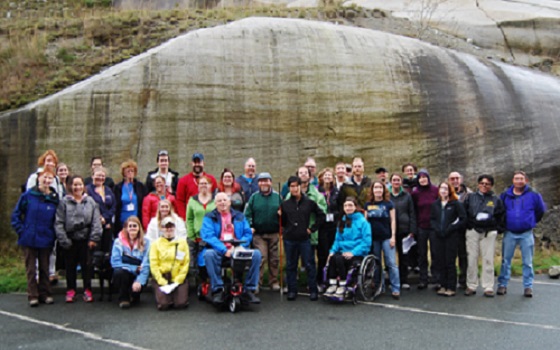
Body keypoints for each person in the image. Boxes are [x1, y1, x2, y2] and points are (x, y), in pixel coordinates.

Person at [201, 192, 262, 304]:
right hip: (219, 250)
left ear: (229, 202)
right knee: (208, 254)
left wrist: (238, 247)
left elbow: (247, 234)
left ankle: (249, 290)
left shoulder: (239, 216)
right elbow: (208, 236)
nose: (222, 203)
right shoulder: (209, 217)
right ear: (215, 203)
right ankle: (218, 289)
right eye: (219, 201)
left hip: (237, 249)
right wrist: (224, 250)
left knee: (256, 254)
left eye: (225, 200)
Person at [11, 169, 60, 306]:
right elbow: (16, 215)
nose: (46, 180)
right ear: (38, 178)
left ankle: (45, 293)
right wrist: (22, 230)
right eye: (44, 177)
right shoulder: (28, 196)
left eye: (49, 178)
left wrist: (54, 234)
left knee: (45, 268)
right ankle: (33, 295)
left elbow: (58, 219)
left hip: (46, 237)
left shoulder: (54, 199)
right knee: (31, 269)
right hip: (29, 238)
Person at [497, 171, 546, 298]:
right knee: (505, 260)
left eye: (521, 179)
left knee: (527, 262)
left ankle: (528, 286)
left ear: (526, 181)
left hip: (526, 233)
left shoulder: (533, 195)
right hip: (509, 232)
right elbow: (499, 210)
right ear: (513, 181)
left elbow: (540, 210)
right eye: (516, 179)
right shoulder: (505, 195)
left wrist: (531, 221)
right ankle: (502, 284)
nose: (519, 181)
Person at [55, 175, 102, 303]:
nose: (77, 187)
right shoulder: (64, 202)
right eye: (74, 185)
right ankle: (71, 290)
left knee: (87, 266)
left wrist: (94, 238)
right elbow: (59, 223)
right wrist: (64, 240)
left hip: (86, 239)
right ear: (70, 186)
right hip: (70, 239)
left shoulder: (91, 201)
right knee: (70, 267)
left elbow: (96, 222)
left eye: (80, 184)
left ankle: (87, 290)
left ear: (84, 186)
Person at [281, 176, 325, 301]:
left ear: (300, 186)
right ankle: (292, 290)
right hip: (289, 239)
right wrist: (279, 215)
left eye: (296, 186)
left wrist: (312, 229)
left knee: (310, 264)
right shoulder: (285, 204)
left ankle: (313, 290)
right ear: (289, 188)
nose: (294, 189)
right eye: (292, 186)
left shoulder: (309, 202)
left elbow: (321, 215)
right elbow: (283, 222)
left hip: (304, 238)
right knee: (291, 265)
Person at [463, 174, 505, 297]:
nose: (484, 186)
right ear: (478, 184)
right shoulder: (470, 197)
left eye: (487, 184)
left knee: (488, 260)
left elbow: (501, 216)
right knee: (472, 259)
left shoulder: (496, 199)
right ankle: (471, 285)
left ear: (491, 186)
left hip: (489, 233)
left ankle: (488, 286)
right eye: (482, 183)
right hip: (473, 231)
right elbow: (464, 213)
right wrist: (469, 225)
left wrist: (497, 228)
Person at [324, 197, 371, 298]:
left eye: (350, 205)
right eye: (346, 206)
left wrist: (353, 252)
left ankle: (342, 284)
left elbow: (366, 242)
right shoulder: (342, 222)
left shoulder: (363, 222)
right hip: (343, 251)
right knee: (333, 257)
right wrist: (332, 251)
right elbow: (337, 240)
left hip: (357, 253)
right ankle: (332, 284)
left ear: (355, 207)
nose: (348, 208)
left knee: (340, 258)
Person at [244, 172, 282, 291]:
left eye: (266, 180)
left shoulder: (278, 197)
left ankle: (273, 281)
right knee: (261, 258)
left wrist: (282, 216)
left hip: (274, 233)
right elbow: (247, 214)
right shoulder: (254, 197)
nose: (264, 183)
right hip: (258, 234)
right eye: (261, 181)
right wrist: (250, 225)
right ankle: (257, 282)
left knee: (274, 259)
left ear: (270, 182)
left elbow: (285, 214)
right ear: (258, 183)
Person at [430, 182, 466, 297]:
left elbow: (463, 219)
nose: (443, 191)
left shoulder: (455, 204)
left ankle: (451, 286)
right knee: (440, 261)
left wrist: (451, 228)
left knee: (450, 261)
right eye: (441, 188)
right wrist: (436, 229)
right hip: (438, 237)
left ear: (450, 190)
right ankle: (443, 285)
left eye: (446, 189)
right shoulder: (435, 204)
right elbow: (432, 219)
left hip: (451, 237)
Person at [366, 181, 401, 299]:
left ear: (383, 190)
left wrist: (393, 237)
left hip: (387, 237)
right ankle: (379, 286)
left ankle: (395, 287)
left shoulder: (389, 204)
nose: (378, 190)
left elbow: (393, 221)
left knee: (391, 263)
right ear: (372, 190)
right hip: (374, 239)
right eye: (375, 187)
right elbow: (366, 223)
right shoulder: (368, 205)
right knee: (376, 264)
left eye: (380, 188)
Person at [149, 217, 190, 310]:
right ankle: (159, 291)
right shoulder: (155, 244)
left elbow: (185, 263)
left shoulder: (182, 243)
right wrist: (161, 281)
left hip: (178, 277)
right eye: (165, 227)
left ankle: (178, 293)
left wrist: (178, 280)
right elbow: (154, 264)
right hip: (163, 277)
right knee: (164, 305)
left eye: (171, 226)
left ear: (175, 227)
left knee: (180, 304)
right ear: (161, 228)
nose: (168, 229)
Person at [110, 216, 150, 309]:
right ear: (126, 228)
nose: (132, 228)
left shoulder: (147, 242)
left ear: (139, 228)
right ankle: (123, 298)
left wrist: (139, 281)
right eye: (130, 226)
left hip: (138, 275)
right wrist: (134, 268)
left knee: (135, 292)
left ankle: (133, 294)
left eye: (135, 226)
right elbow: (115, 262)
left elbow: (146, 264)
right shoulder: (118, 242)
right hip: (124, 274)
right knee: (119, 272)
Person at [411, 169, 439, 289]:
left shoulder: (435, 190)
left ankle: (436, 278)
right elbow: (413, 210)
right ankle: (423, 279)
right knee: (422, 254)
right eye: (420, 177)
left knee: (435, 253)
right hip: (421, 227)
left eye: (424, 177)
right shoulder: (415, 193)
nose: (422, 179)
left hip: (433, 227)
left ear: (428, 178)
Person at [389, 173, 417, 290]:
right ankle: (393, 281)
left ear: (401, 182)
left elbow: (412, 212)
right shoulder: (387, 196)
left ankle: (404, 280)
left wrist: (412, 229)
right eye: (394, 180)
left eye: (398, 180)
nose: (396, 182)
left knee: (403, 257)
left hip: (404, 230)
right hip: (390, 230)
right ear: (391, 182)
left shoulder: (407, 196)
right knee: (390, 258)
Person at [186, 177, 216, 275]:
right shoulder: (192, 200)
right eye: (201, 184)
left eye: (206, 183)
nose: (203, 186)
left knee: (208, 262)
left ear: (210, 186)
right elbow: (189, 219)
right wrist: (192, 235)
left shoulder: (215, 200)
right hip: (196, 237)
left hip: (211, 237)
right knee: (193, 263)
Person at [317, 167, 340, 290]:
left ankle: (332, 278)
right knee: (322, 254)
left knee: (333, 253)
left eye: (329, 176)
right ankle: (320, 279)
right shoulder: (317, 191)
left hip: (333, 226)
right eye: (325, 176)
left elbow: (340, 208)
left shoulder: (336, 192)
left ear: (333, 178)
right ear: (321, 177)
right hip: (321, 227)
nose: (327, 178)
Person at [176, 153, 218, 220]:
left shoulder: (211, 179)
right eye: (195, 162)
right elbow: (179, 201)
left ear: (203, 163)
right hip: (191, 216)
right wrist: (184, 218)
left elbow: (216, 198)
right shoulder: (183, 181)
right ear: (192, 163)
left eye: (199, 162)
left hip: (209, 217)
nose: (197, 165)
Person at [448, 171, 472, 289]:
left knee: (463, 255)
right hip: (449, 230)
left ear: (461, 179)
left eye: (457, 178)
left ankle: (463, 280)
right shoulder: (445, 193)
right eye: (452, 179)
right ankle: (450, 279)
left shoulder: (469, 194)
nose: (455, 181)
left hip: (463, 229)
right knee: (450, 255)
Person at [86, 166, 117, 254]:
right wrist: (99, 218)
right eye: (98, 175)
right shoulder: (88, 190)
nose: (100, 178)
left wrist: (106, 218)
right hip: (94, 226)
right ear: (92, 176)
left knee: (106, 250)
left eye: (103, 176)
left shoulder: (108, 190)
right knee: (95, 250)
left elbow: (113, 206)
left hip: (107, 225)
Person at [113, 160, 147, 236]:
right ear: (123, 173)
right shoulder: (118, 187)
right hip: (122, 221)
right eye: (128, 171)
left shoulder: (140, 186)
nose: (130, 173)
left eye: (132, 171)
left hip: (136, 221)